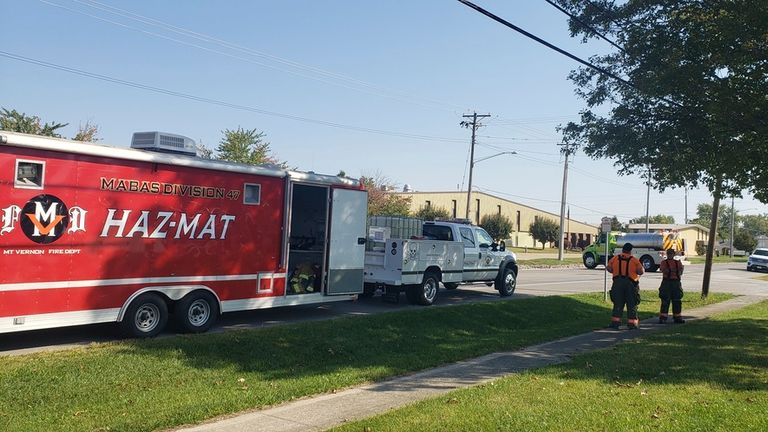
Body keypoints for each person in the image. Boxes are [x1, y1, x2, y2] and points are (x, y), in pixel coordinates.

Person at [606, 242, 644, 329]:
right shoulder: (634, 260)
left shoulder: (615, 258)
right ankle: (632, 323)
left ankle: (615, 322)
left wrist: (615, 271)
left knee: (618, 302)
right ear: (630, 251)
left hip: (617, 283)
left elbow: (608, 268)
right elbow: (640, 271)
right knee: (632, 303)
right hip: (630, 284)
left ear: (623, 249)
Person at [658, 248, 685, 323]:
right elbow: (664, 270)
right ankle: (663, 317)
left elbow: (680, 271)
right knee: (665, 300)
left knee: (677, 300)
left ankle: (677, 317)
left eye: (671, 253)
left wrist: (672, 271)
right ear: (667, 254)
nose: (670, 255)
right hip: (667, 283)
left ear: (673, 254)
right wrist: (675, 271)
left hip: (675, 283)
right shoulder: (664, 262)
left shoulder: (677, 262)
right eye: (669, 253)